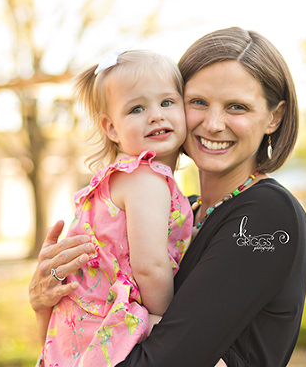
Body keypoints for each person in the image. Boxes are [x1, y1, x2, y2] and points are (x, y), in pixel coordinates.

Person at [30, 27, 306, 367]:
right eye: (198, 102)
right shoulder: (180, 212)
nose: (213, 123)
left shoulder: (265, 213)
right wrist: (47, 304)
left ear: (273, 117)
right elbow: (86, 344)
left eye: (237, 107)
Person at [37, 50, 194, 367]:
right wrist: (165, 320)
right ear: (111, 128)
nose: (155, 115)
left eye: (167, 102)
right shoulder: (146, 179)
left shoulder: (119, 177)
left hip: (76, 327)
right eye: (137, 108)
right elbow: (150, 266)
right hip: (111, 324)